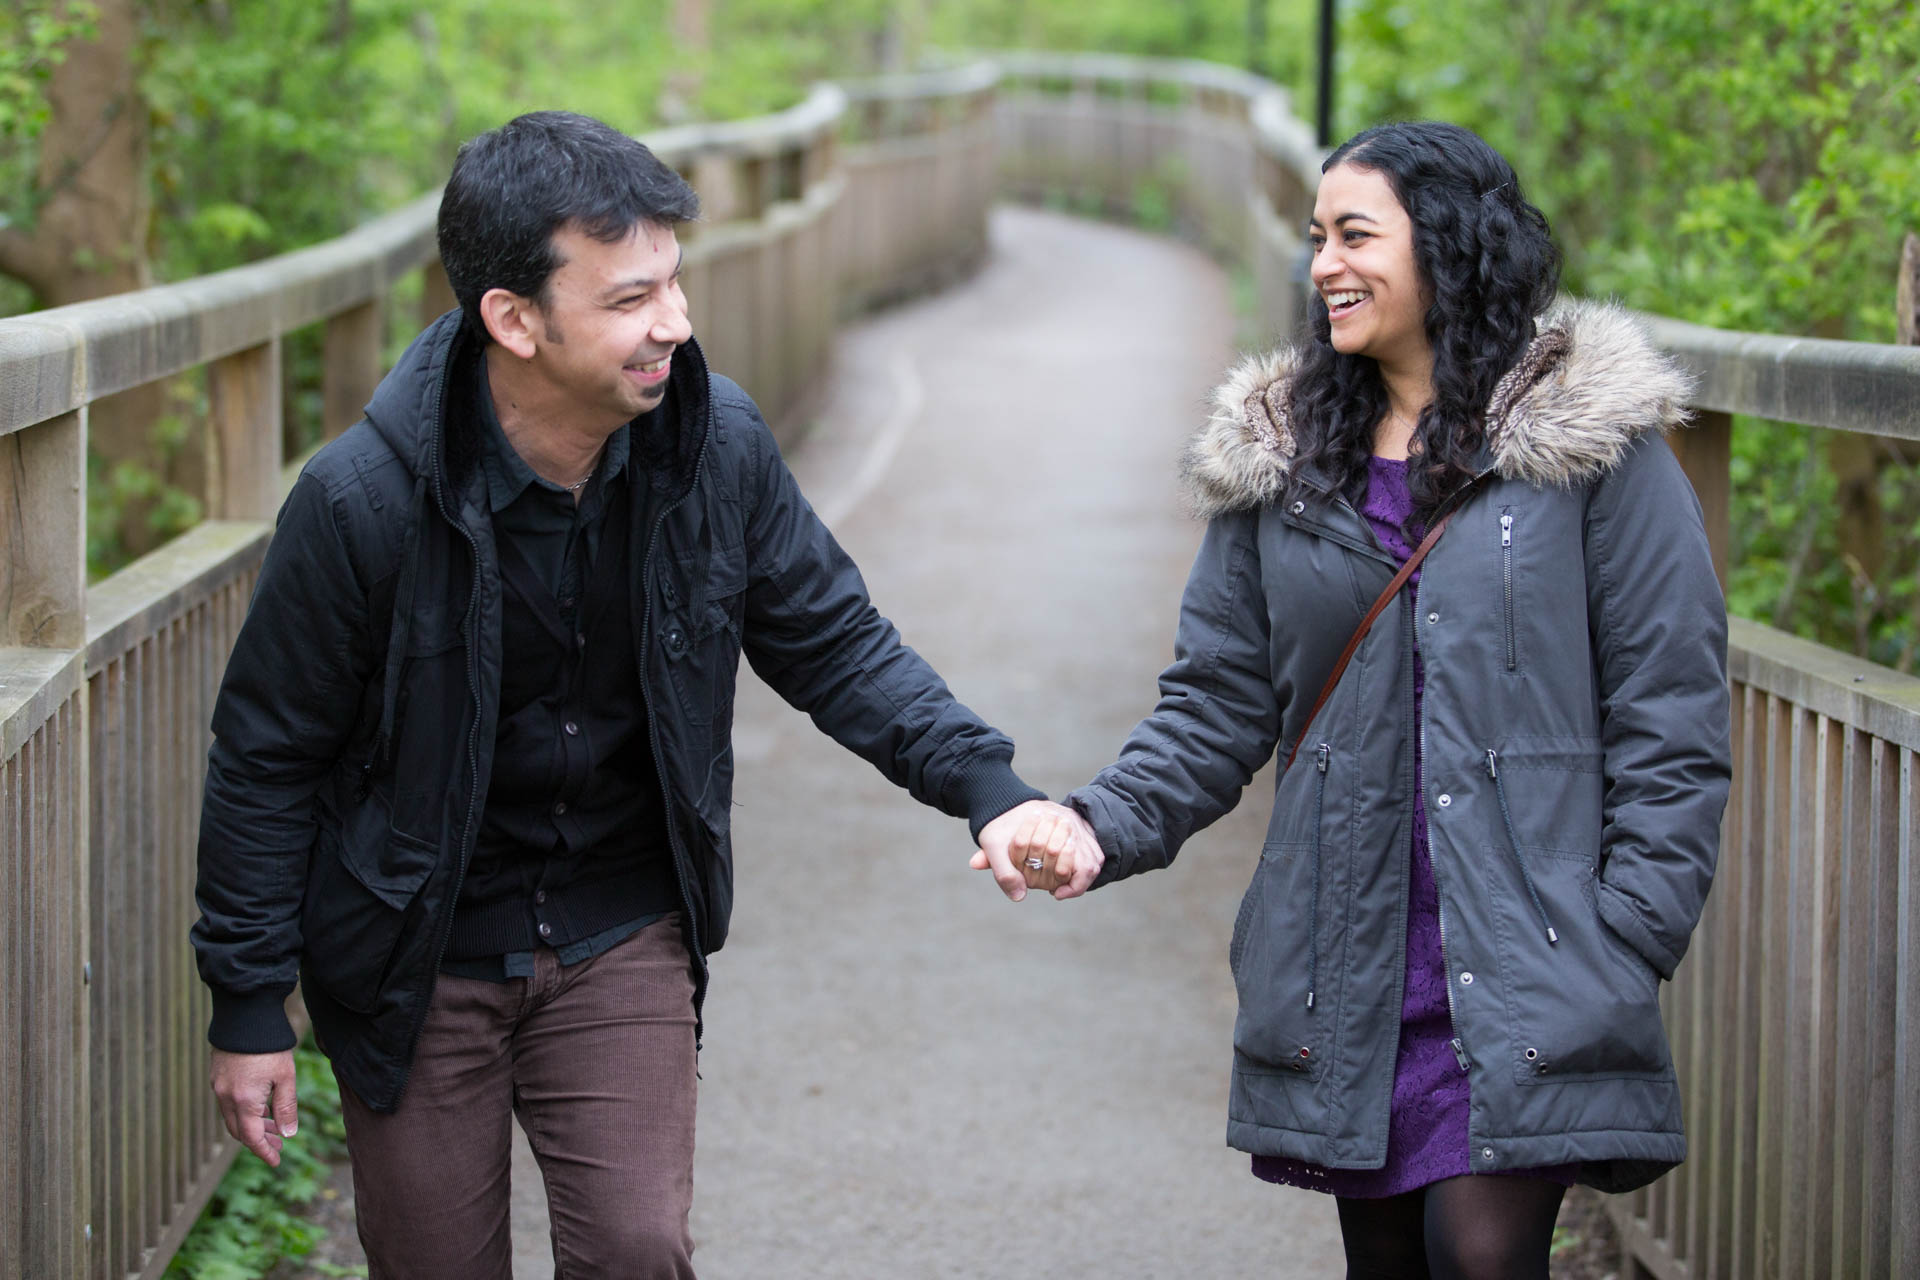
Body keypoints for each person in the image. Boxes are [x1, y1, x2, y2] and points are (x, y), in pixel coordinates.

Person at [191, 110, 1058, 1279]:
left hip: (621, 924)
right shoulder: (362, 504)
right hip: (417, 947)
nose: (675, 325)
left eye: (675, 284)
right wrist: (248, 1000)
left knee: (639, 1249)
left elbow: (836, 641)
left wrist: (986, 783)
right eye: (629, 299)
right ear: (514, 320)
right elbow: (266, 755)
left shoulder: (715, 449)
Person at [994, 121, 1731, 1279]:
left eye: (1355, 234)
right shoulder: (1286, 461)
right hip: (1357, 960)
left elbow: (1671, 713)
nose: (1324, 262)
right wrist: (1095, 821)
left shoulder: (1594, 452)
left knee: (1480, 1254)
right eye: (1315, 237)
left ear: (1448, 245)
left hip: (1531, 957)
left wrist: (1625, 933)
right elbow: (1217, 700)